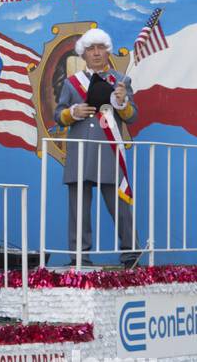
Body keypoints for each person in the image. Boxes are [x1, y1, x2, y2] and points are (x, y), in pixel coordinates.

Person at [54, 27, 138, 268]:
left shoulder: (121, 81)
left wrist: (122, 103)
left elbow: (132, 116)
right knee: (78, 211)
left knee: (121, 208)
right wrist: (73, 112)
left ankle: (131, 254)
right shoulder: (72, 84)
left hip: (109, 152)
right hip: (80, 153)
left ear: (107, 51)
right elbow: (58, 115)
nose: (97, 53)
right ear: (84, 54)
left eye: (101, 48)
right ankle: (79, 257)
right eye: (91, 49)